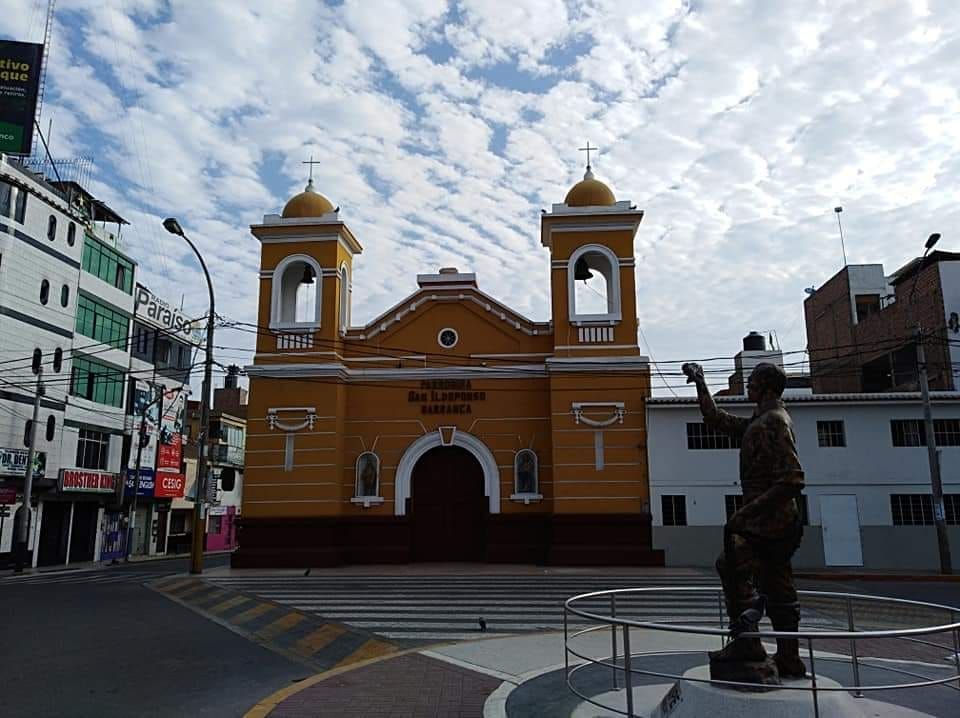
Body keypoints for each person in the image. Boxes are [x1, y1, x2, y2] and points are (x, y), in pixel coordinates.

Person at [682, 361, 807, 678]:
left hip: (771, 520)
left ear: (765, 385)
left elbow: (792, 479)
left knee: (732, 562)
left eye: (751, 381)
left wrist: (744, 513)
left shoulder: (775, 422)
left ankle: (748, 642)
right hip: (769, 519)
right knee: (777, 582)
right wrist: (700, 382)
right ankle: (788, 656)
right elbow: (717, 419)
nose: (747, 385)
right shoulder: (759, 420)